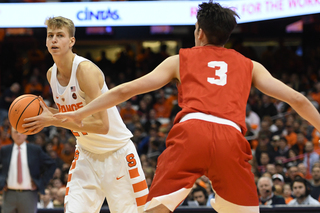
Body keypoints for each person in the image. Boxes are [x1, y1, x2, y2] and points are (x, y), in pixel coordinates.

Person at [53, 1, 320, 213]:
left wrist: (80, 112)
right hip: (230, 136)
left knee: (154, 210)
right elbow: (297, 99)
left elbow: (126, 90)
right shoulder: (251, 65)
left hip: (191, 132)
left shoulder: (180, 59)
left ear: (200, 32)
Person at [23, 16, 148, 213]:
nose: (54, 40)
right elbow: (71, 114)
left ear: (71, 41)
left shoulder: (84, 70)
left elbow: (101, 125)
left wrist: (53, 120)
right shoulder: (50, 74)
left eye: (60, 35)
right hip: (86, 156)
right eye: (50, 36)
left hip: (117, 155)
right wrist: (47, 114)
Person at [0, 127, 56, 213]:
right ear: (11, 134)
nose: (18, 134)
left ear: (26, 134)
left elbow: (51, 164)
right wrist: (2, 181)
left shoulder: (34, 149)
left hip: (29, 194)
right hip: (9, 193)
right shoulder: (5, 150)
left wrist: (41, 182)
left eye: (21, 132)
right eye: (15, 132)